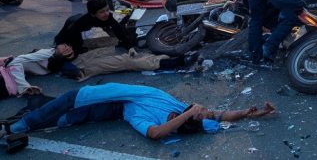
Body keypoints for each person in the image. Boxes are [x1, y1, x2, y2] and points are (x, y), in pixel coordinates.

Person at [1, 82, 276, 145]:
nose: (203, 109)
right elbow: (219, 115)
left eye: (198, 113)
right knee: (52, 112)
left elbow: (155, 135)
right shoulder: (180, 109)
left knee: (55, 116)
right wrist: (250, 113)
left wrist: (188, 113)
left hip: (90, 99)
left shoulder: (151, 119)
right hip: (105, 100)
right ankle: (32, 103)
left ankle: (11, 130)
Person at [4, 44, 198, 96]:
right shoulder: (43, 56)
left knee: (124, 57)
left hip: (79, 62)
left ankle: (171, 59)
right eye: (63, 48)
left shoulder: (49, 53)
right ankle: (172, 62)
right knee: (125, 62)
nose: (66, 48)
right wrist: (24, 87)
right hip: (80, 67)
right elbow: (16, 62)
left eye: (65, 47)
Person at [54, 0, 135, 54]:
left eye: (107, 10)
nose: (106, 13)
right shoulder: (81, 22)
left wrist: (129, 47)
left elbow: (119, 31)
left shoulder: (108, 16)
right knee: (76, 46)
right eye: (102, 11)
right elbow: (63, 35)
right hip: (73, 22)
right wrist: (60, 44)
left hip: (91, 22)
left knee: (119, 30)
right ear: (93, 14)